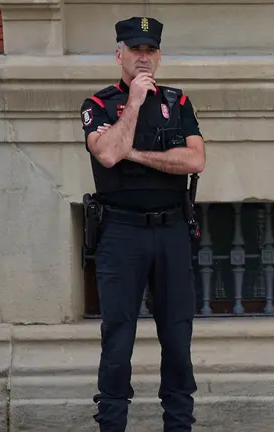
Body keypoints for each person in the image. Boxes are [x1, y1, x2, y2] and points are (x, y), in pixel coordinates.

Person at [79, 16, 205, 432]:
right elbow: (107, 154)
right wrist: (133, 103)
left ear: (159, 55)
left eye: (151, 50)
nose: (144, 58)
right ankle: (112, 424)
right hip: (121, 234)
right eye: (136, 50)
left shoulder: (178, 102)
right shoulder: (98, 105)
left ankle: (179, 425)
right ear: (119, 55)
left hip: (172, 231)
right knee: (118, 340)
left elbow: (195, 160)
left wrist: (135, 154)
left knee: (178, 339)